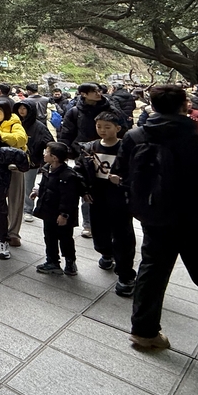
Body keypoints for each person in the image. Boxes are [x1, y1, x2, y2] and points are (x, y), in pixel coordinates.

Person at [115, 85, 198, 350]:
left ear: (151, 105)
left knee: (151, 272)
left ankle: (144, 332)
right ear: (185, 105)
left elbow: (121, 175)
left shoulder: (135, 136)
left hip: (155, 218)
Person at [58, 82, 130, 238]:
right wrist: (66, 152)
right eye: (94, 91)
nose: (99, 93)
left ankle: (111, 222)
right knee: (86, 186)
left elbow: (123, 127)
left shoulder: (110, 108)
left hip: (110, 152)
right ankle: (88, 224)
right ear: (84, 94)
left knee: (111, 187)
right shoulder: (75, 112)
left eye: (99, 90)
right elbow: (67, 134)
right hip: (84, 153)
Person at [76, 112, 137, 295]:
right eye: (99, 126)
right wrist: (84, 190)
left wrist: (123, 180)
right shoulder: (90, 147)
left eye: (107, 127)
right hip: (97, 196)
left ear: (118, 128)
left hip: (119, 198)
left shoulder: (126, 149)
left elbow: (138, 172)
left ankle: (126, 274)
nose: (102, 130)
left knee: (122, 234)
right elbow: (80, 170)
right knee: (99, 228)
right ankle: (106, 253)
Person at [31, 142, 81, 276]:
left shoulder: (68, 176)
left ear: (55, 157)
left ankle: (70, 262)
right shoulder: (47, 168)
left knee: (65, 238)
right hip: (48, 211)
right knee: (49, 237)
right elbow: (45, 185)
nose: (44, 154)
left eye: (47, 152)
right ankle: (52, 261)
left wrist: (64, 214)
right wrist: (37, 192)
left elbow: (69, 198)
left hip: (61, 214)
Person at [0, 98, 28, 246]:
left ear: (6, 111)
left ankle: (13, 233)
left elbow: (20, 139)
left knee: (15, 199)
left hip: (14, 166)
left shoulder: (15, 122)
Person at [16, 100, 51, 224]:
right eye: (19, 108)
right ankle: (16, 209)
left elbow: (49, 141)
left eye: (24, 108)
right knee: (14, 186)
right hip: (14, 160)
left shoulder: (38, 126)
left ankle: (28, 210)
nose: (21, 111)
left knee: (28, 186)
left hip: (31, 161)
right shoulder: (14, 123)